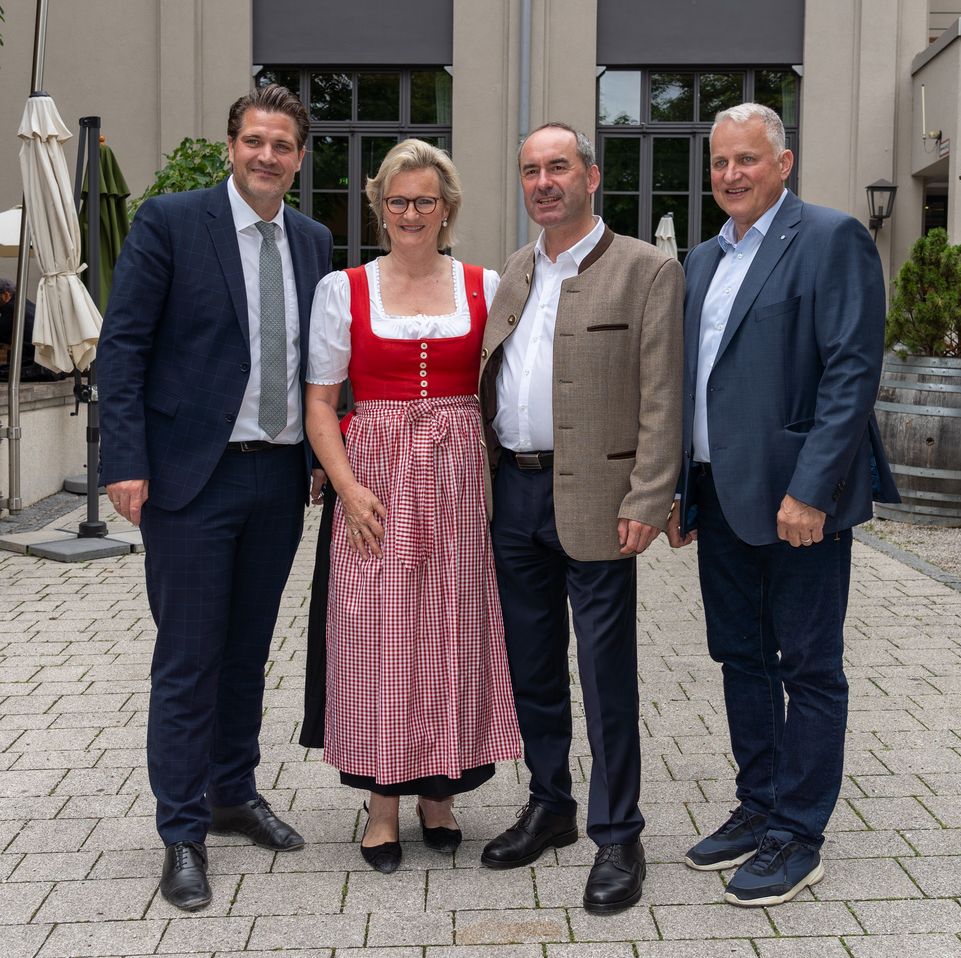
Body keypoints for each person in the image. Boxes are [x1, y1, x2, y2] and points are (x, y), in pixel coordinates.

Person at [96, 84, 333, 911]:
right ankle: (181, 830)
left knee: (247, 649)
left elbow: (315, 360)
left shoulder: (313, 240)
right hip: (191, 477)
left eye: (283, 146)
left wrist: (318, 458)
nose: (268, 156)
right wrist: (122, 459)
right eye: (255, 141)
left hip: (277, 476)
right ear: (232, 145)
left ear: (300, 159)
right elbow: (123, 345)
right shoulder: (170, 222)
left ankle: (234, 791)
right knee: (189, 657)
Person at [669, 102, 899, 907]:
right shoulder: (700, 260)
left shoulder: (831, 239)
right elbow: (688, 386)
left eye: (748, 160)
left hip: (797, 502)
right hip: (717, 495)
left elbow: (851, 373)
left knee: (808, 665)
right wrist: (676, 488)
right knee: (739, 657)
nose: (732, 174)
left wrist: (813, 488)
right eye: (721, 162)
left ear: (783, 162)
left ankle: (799, 833)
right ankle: (758, 805)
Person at [478, 122, 684, 913]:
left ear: (591, 177)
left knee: (605, 676)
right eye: (530, 170)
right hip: (516, 498)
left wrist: (650, 495)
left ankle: (619, 833)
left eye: (557, 166)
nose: (543, 182)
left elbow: (664, 395)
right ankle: (550, 804)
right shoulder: (517, 270)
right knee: (532, 666)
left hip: (601, 503)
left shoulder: (647, 271)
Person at [304, 138, 521, 875]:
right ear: (379, 207)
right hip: (376, 480)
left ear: (448, 208)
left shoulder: (485, 285)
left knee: (453, 631)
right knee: (378, 637)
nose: (410, 213)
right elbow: (321, 403)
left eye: (425, 200)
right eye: (397, 201)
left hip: (459, 480)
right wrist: (346, 486)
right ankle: (383, 804)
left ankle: (441, 791)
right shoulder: (346, 289)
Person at [0, 278, 58, 382]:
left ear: (5, 295)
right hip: (52, 367)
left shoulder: (11, 308)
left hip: (43, 369)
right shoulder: (23, 304)